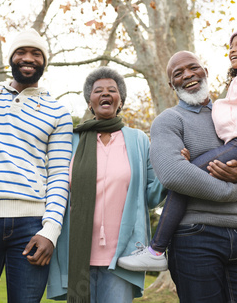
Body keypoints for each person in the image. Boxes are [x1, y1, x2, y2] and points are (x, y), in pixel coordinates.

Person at [118, 23, 237, 286]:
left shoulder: (230, 110)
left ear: (206, 72)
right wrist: (236, 190)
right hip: (195, 236)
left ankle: (157, 250)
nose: (188, 75)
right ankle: (158, 251)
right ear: (171, 84)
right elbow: (174, 175)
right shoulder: (169, 120)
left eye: (193, 67)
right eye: (178, 73)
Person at [0, 29, 74, 303]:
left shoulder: (58, 112)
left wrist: (50, 230)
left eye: (36, 53)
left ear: (44, 62)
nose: (27, 58)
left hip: (32, 227)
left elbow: (58, 175)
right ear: (11, 59)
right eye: (21, 52)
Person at [46, 66, 165, 303]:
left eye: (112, 90)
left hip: (122, 254)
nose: (105, 94)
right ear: (90, 101)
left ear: (120, 100)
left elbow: (151, 197)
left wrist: (171, 166)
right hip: (77, 250)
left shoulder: (138, 140)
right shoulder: (71, 140)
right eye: (98, 90)